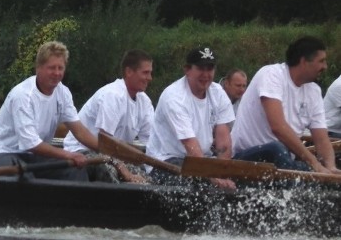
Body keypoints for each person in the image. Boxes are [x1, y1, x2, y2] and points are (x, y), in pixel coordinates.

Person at [0, 40, 99, 182]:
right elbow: (31, 144)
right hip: (1, 152)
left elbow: (79, 131)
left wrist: (108, 151)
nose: (57, 73)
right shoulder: (22, 96)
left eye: (60, 68)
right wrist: (68, 155)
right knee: (23, 179)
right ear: (38, 68)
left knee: (74, 170)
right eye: (51, 68)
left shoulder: (63, 93)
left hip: (32, 155)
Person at [232, 36, 339, 173]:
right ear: (304, 61)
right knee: (276, 148)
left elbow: (322, 138)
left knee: (285, 155)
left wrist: (330, 167)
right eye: (321, 61)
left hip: (284, 162)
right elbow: (278, 127)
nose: (325, 66)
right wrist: (314, 163)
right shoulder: (271, 75)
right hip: (246, 158)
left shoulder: (314, 91)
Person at [145, 47, 236, 190]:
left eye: (210, 69)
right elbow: (190, 145)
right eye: (200, 68)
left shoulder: (218, 93)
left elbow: (223, 141)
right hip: (166, 162)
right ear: (187, 70)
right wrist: (213, 177)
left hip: (202, 159)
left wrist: (221, 173)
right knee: (202, 189)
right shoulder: (174, 97)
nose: (206, 75)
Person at [63, 49, 155, 183]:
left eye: (150, 73)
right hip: (83, 151)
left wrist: (152, 169)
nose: (150, 78)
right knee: (109, 171)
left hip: (113, 155)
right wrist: (126, 173)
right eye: (145, 73)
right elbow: (106, 144)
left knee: (148, 181)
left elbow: (151, 142)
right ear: (129, 72)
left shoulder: (145, 102)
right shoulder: (113, 95)